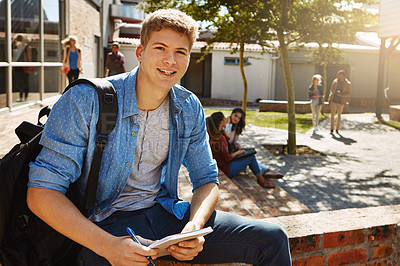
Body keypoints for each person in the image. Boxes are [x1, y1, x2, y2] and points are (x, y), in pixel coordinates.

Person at [27, 9, 291, 266]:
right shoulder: (85, 100)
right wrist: (108, 246)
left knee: (272, 239)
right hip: (101, 226)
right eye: (160, 48)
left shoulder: (188, 106)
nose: (170, 61)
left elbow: (207, 180)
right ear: (140, 52)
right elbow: (41, 193)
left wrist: (194, 228)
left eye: (181, 52)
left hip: (165, 214)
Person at [207, 111, 284, 189]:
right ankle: (261, 179)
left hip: (218, 166)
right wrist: (238, 152)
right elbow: (227, 158)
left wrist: (223, 130)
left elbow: (228, 140)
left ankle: (263, 174)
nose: (226, 120)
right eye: (224, 119)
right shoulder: (220, 138)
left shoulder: (212, 135)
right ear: (221, 122)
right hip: (226, 170)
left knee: (247, 154)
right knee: (251, 157)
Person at [328, 70, 351, 134]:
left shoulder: (348, 83)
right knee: (332, 115)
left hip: (341, 102)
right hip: (334, 101)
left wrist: (342, 95)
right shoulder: (335, 81)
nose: (337, 76)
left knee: (339, 116)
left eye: (339, 74)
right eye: (337, 74)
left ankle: (337, 129)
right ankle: (331, 129)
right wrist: (330, 99)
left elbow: (348, 94)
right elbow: (331, 90)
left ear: (342, 75)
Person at [12, 34, 32, 102]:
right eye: (17, 38)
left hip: (24, 67)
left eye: (20, 38)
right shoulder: (16, 47)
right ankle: (20, 97)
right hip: (17, 67)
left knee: (25, 82)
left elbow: (29, 59)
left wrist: (29, 67)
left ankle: (25, 97)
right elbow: (14, 57)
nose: (18, 40)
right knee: (19, 82)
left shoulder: (27, 47)